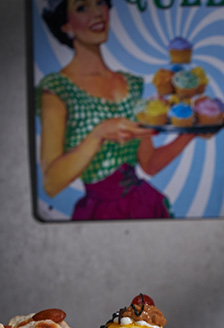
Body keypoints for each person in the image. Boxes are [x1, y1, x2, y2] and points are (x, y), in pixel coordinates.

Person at [38, 0, 198, 220]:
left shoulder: (131, 84)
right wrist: (99, 134)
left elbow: (149, 164)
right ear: (65, 25)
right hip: (100, 213)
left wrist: (191, 132)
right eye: (82, 7)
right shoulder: (57, 89)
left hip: (144, 205)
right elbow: (51, 184)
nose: (97, 13)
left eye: (100, 2)